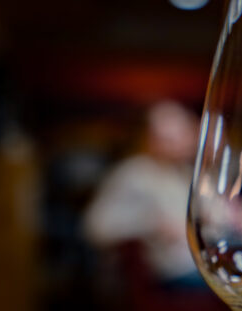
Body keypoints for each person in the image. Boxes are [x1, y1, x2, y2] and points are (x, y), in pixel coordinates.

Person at [83, 101, 202, 291]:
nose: (183, 142)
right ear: (151, 138)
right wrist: (152, 223)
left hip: (195, 265)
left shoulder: (183, 173)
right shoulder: (134, 174)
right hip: (168, 273)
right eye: (169, 138)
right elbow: (95, 227)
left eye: (183, 134)